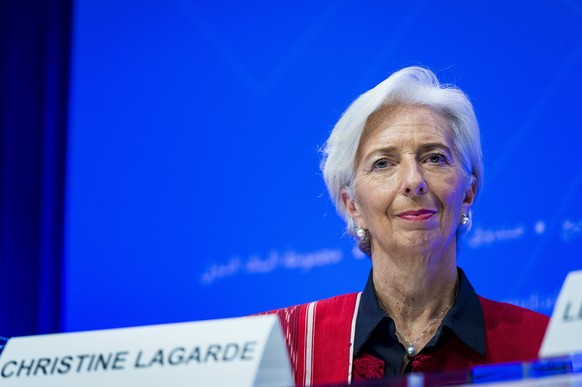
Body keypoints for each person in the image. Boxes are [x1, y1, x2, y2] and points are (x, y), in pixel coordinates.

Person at [261, 66, 549, 386]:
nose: (413, 181)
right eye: (383, 163)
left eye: (435, 158)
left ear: (468, 193)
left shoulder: (545, 347)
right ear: (352, 205)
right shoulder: (282, 350)